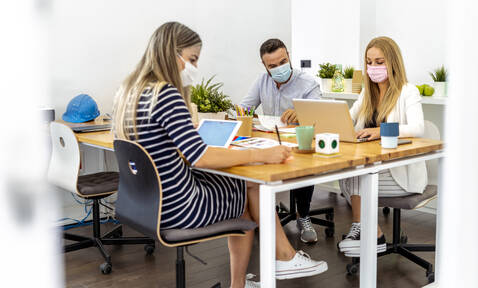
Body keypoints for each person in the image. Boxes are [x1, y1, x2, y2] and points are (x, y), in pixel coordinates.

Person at [113, 22, 327, 288]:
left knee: (245, 184)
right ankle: (281, 259)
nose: (194, 67)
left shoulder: (129, 93)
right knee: (251, 187)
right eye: (191, 59)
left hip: (145, 203)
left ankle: (261, 271)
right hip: (179, 208)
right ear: (171, 54)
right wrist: (259, 155)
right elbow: (199, 157)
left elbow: (173, 149)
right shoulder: (166, 95)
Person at [337, 36, 427, 257]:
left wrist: (379, 130)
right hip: (375, 166)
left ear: (393, 62)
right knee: (346, 172)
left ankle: (372, 235)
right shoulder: (367, 93)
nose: (373, 67)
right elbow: (346, 119)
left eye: (379, 62)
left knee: (358, 176)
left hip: (400, 173)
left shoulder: (408, 91)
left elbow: (418, 128)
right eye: (369, 62)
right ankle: (365, 229)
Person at [240, 38, 321, 244]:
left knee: (305, 164)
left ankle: (303, 217)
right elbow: (244, 108)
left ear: (289, 56)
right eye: (273, 66)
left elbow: (320, 117)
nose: (279, 68)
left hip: (298, 142)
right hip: (270, 142)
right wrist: (245, 116)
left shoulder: (308, 83)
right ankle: (263, 215)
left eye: (282, 62)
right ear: (265, 66)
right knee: (247, 164)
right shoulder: (262, 81)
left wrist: (301, 113)